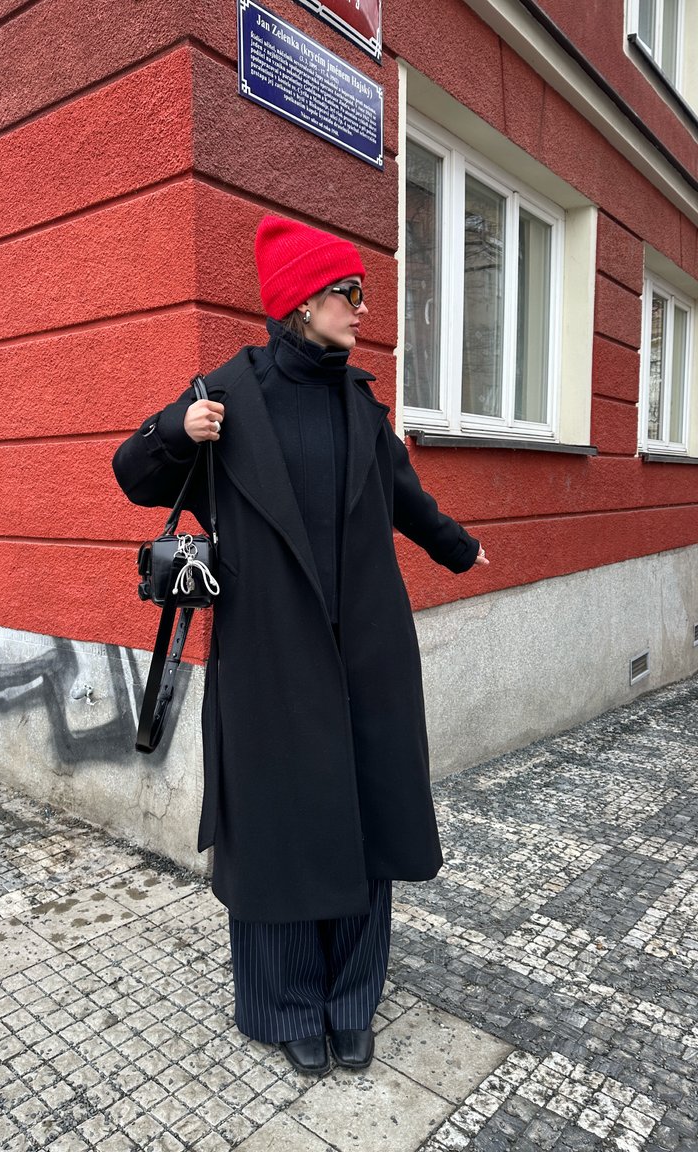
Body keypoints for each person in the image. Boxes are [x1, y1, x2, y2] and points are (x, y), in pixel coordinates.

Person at [112, 215, 489, 1076]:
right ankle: (282, 1003)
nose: (364, 309)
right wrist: (178, 428)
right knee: (280, 829)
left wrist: (459, 547)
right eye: (349, 293)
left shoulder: (361, 404)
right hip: (269, 659)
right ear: (302, 303)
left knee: (365, 823)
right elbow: (133, 476)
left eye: (360, 292)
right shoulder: (225, 399)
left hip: (367, 656)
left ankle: (353, 998)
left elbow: (407, 500)